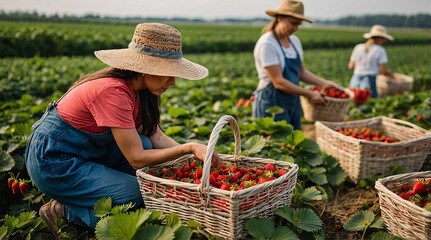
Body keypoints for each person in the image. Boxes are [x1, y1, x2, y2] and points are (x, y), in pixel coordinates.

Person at [25, 22, 221, 236]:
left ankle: (85, 192)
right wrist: (189, 148)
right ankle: (62, 210)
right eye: (167, 72)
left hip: (87, 153)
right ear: (146, 68)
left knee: (146, 142)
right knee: (137, 193)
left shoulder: (141, 91)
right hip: (55, 163)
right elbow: (136, 158)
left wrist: (198, 160)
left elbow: (156, 136)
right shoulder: (113, 91)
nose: (172, 81)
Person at [252, 0, 340, 130]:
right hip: (271, 100)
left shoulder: (294, 41)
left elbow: (301, 72)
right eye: (293, 23)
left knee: (292, 140)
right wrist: (309, 94)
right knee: (274, 142)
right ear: (279, 18)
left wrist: (324, 83)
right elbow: (278, 82)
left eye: (299, 24)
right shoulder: (267, 43)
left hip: (292, 98)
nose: (296, 28)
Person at [348, 24, 395, 98]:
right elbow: (383, 70)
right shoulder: (380, 50)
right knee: (370, 102)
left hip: (355, 79)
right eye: (383, 39)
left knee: (353, 100)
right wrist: (391, 75)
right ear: (380, 38)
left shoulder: (358, 47)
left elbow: (351, 66)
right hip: (369, 81)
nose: (383, 41)